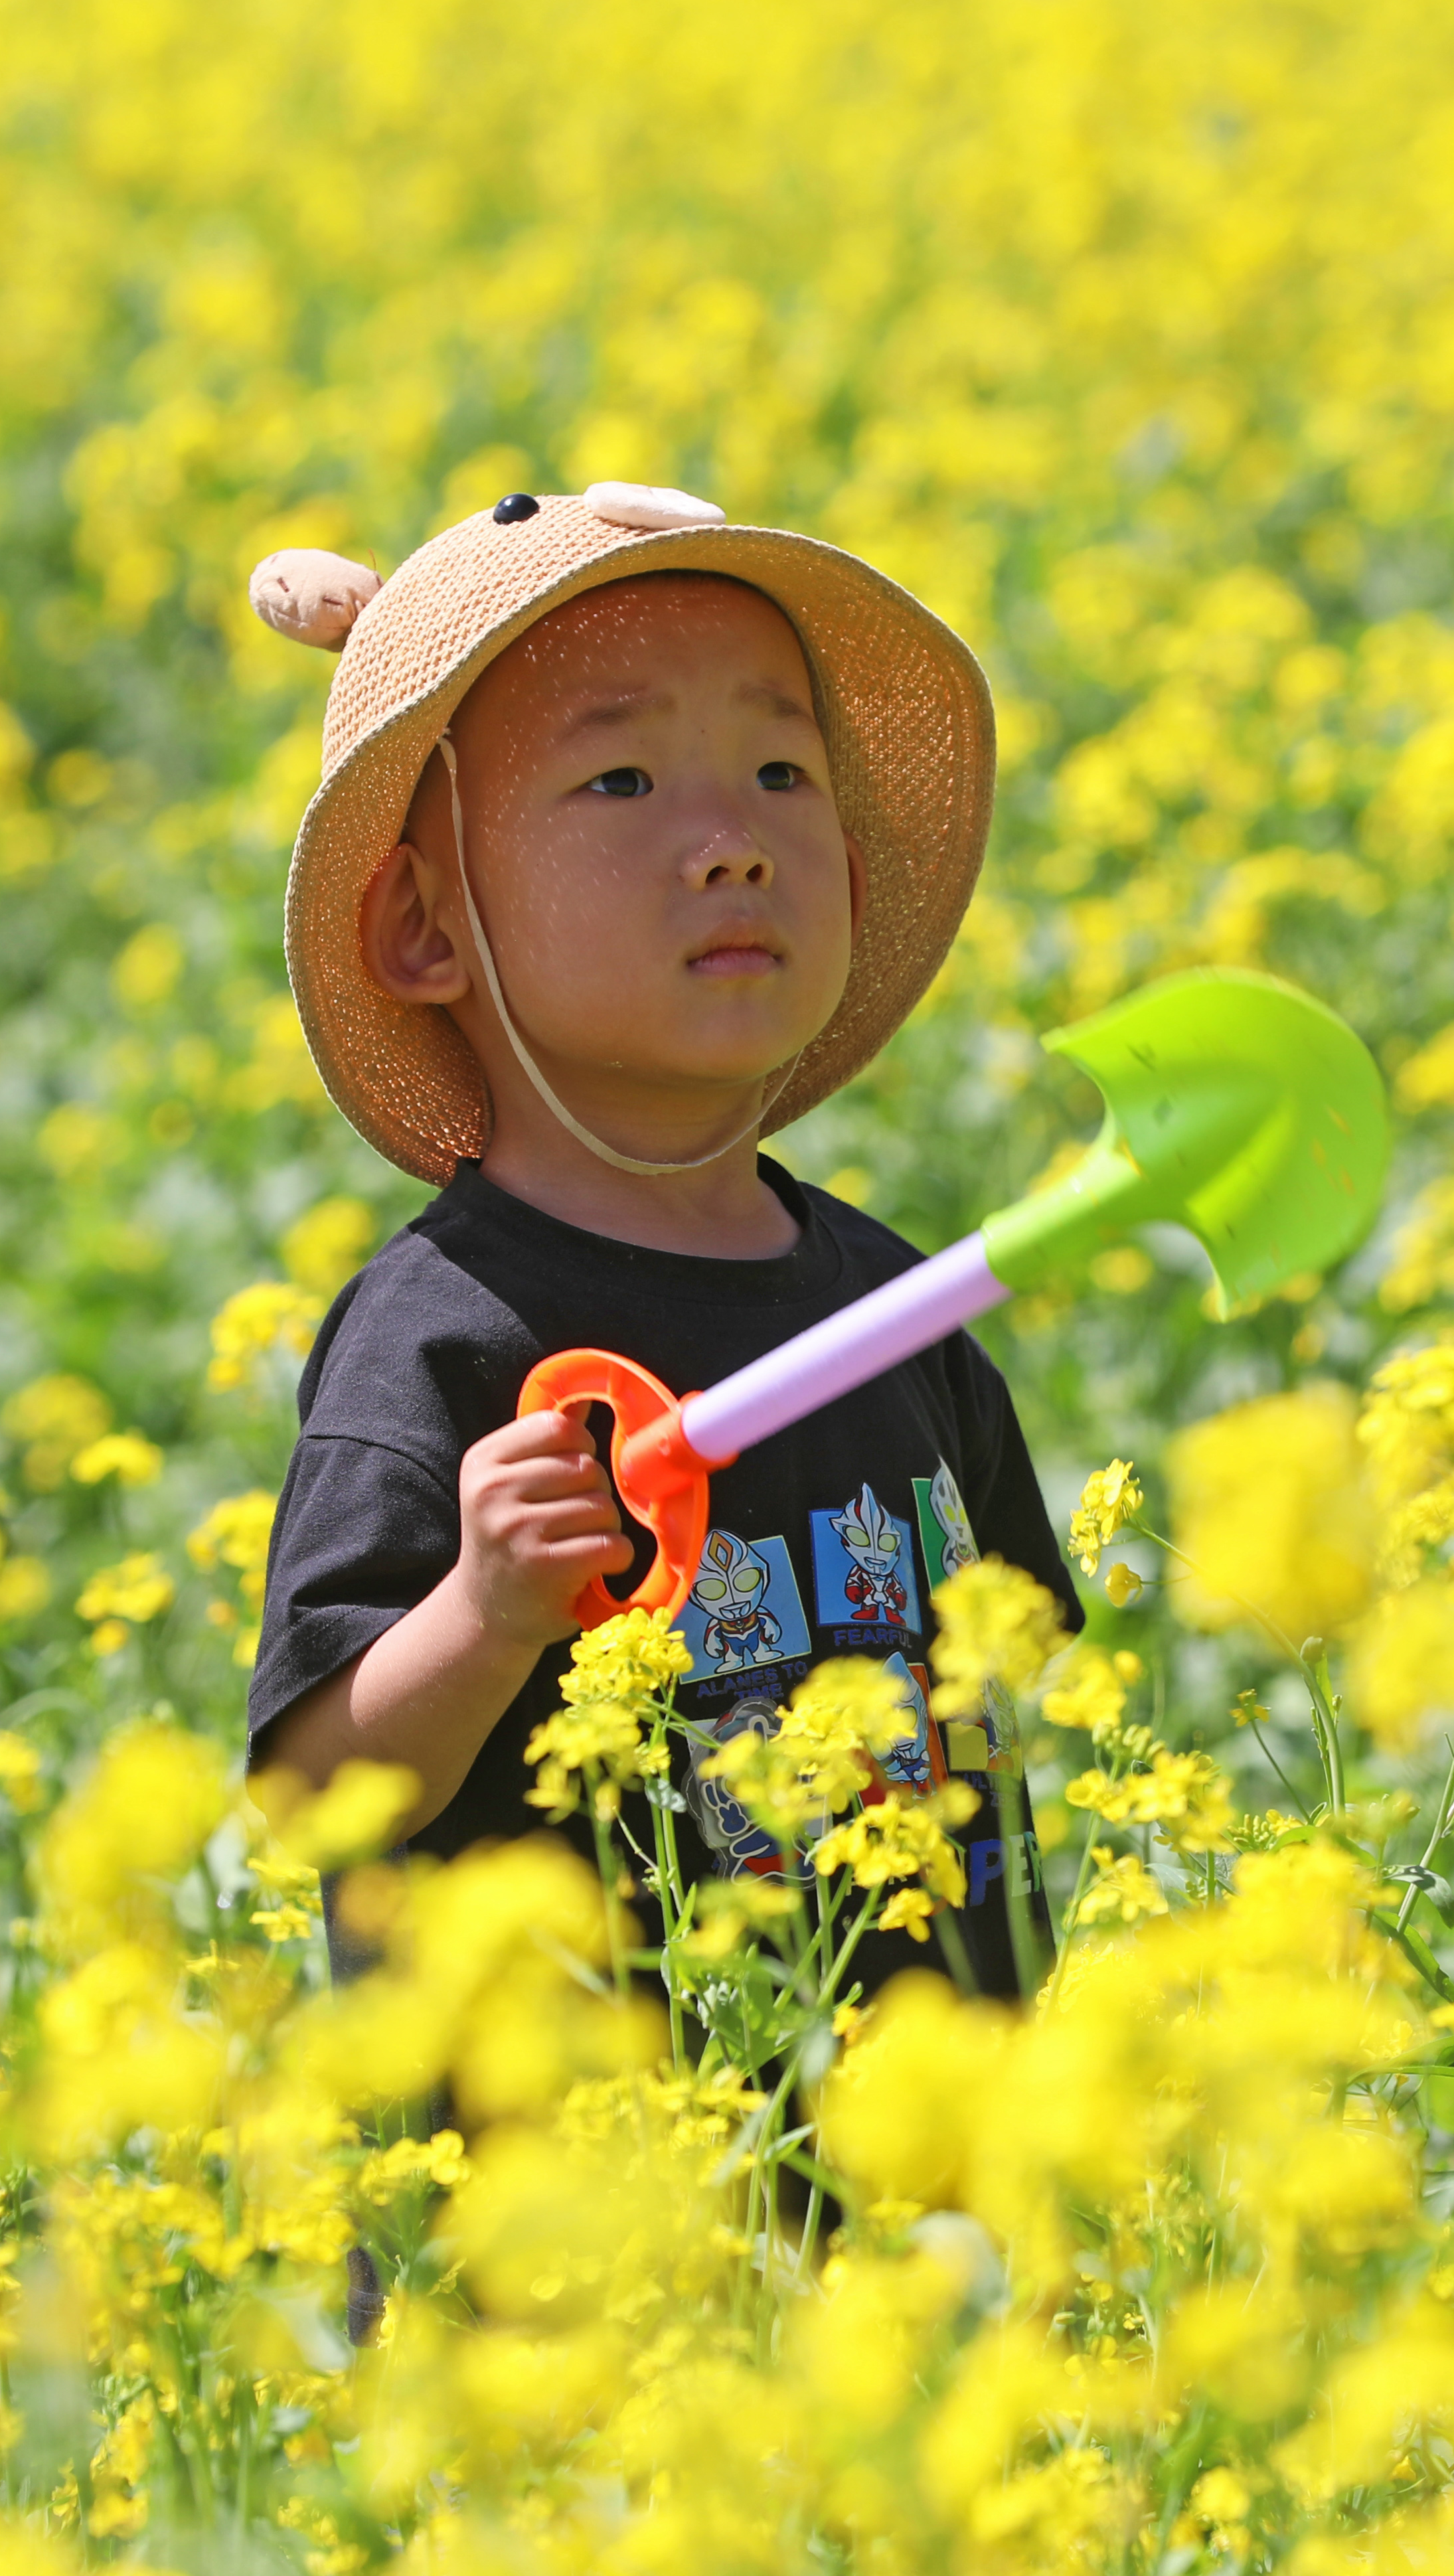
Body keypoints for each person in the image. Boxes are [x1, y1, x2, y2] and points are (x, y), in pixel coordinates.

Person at [234, 483, 1080, 2002]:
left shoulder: (898, 1304)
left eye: (779, 769)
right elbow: (311, 1799)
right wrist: (483, 1616)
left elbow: (1014, 1684)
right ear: (427, 929)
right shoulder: (439, 1336)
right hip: (583, 2206)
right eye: (621, 780)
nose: (731, 841)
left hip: (930, 2190)